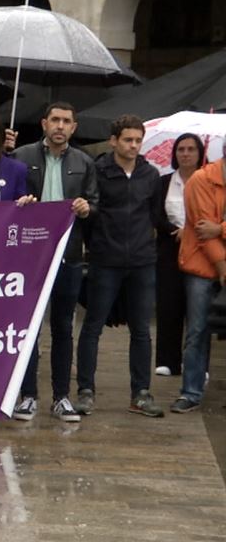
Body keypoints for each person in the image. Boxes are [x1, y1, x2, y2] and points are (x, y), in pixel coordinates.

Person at [9, 102, 98, 422]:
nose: (60, 126)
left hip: (69, 255)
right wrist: (22, 204)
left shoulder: (85, 162)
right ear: (44, 123)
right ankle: (28, 396)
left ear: (74, 128)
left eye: (66, 121)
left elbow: (96, 204)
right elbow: (7, 203)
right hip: (30, 256)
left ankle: (61, 397)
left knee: (63, 328)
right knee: (29, 328)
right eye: (55, 120)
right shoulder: (21, 157)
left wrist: (88, 208)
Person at [73, 114, 164, 418]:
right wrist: (96, 246)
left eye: (138, 140)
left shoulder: (150, 175)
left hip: (141, 261)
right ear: (114, 141)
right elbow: (90, 210)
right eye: (128, 139)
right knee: (92, 326)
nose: (134, 145)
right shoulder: (97, 169)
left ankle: (141, 393)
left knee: (141, 330)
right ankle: (86, 390)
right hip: (105, 260)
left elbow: (152, 214)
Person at [169, 145, 226, 414]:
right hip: (201, 264)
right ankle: (191, 392)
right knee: (197, 331)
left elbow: (215, 228)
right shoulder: (201, 179)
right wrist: (223, 266)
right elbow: (204, 229)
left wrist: (222, 227)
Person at [153, 133, 204, 378]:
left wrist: (192, 231)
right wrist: (175, 231)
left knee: (198, 309)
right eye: (181, 149)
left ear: (199, 153)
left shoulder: (208, 181)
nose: (185, 153)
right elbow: (156, 215)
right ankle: (166, 360)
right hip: (170, 248)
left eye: (191, 149)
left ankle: (197, 365)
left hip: (202, 250)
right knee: (168, 305)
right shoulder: (163, 182)